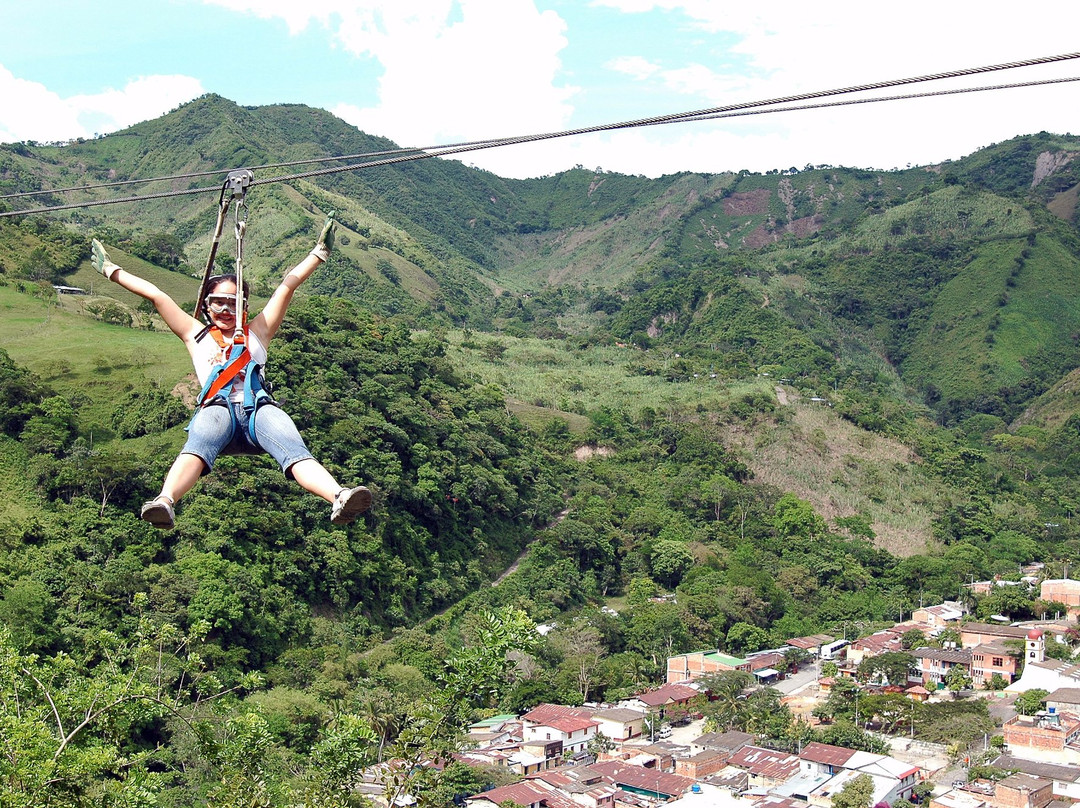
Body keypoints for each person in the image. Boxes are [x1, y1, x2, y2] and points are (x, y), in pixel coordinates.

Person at [90, 214, 371, 529]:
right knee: (200, 441)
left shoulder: (258, 332)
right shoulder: (195, 334)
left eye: (232, 303)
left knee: (292, 444)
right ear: (208, 307)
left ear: (245, 308)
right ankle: (165, 501)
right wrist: (111, 271)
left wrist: (318, 254)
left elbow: (286, 287)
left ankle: (338, 497)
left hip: (256, 409)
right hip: (218, 408)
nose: (225, 309)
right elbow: (157, 296)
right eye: (218, 303)